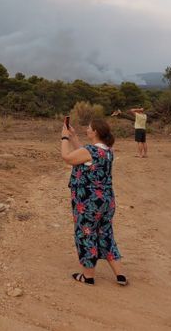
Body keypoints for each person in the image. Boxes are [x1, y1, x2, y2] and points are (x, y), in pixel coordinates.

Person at [60, 118, 128, 286]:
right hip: (107, 200)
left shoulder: (90, 151)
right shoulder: (108, 151)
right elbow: (83, 154)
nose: (87, 130)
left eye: (89, 128)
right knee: (105, 234)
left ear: (95, 132)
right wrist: (74, 136)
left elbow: (67, 158)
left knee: (86, 234)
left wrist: (64, 138)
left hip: (89, 202)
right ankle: (120, 275)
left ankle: (88, 276)